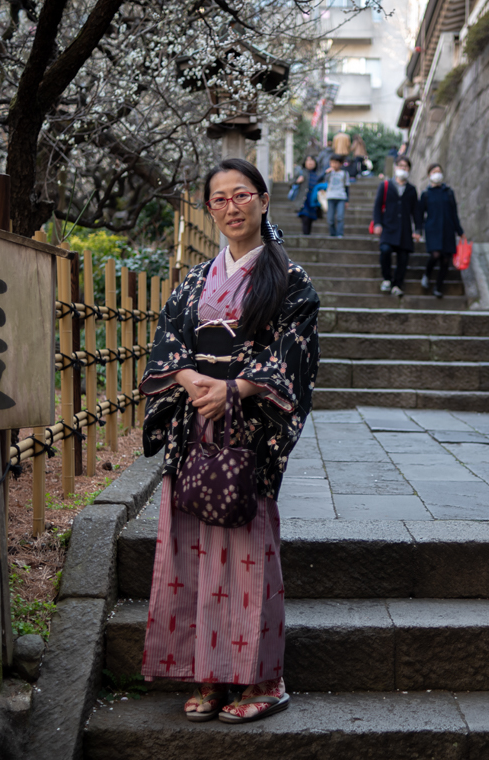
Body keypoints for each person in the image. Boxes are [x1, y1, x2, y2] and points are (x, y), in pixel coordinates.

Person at [138, 158, 320, 724]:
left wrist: (237, 387)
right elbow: (168, 338)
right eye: (219, 199)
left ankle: (264, 679)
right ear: (210, 209)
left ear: (264, 201)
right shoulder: (195, 279)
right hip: (193, 428)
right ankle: (211, 677)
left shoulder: (290, 281)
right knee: (189, 549)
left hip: (247, 434)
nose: (231, 207)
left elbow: (294, 354)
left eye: (242, 195)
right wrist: (189, 379)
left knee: (246, 556)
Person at [371, 155, 422, 297]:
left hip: (405, 229)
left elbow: (416, 211)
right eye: (400, 166)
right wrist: (378, 223)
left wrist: (418, 229)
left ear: (409, 169)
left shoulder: (411, 189)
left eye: (405, 167)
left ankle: (397, 284)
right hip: (388, 226)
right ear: (395, 167)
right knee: (385, 250)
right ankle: (387, 278)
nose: (402, 169)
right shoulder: (386, 185)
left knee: (403, 257)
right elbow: (377, 206)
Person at [419, 163, 464, 298]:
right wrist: (419, 230)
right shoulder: (426, 194)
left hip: (448, 228)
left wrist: (460, 231)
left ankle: (438, 287)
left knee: (446, 259)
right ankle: (427, 274)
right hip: (432, 229)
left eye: (439, 171)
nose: (437, 174)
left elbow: (454, 213)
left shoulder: (449, 192)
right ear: (429, 175)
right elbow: (420, 214)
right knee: (435, 255)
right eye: (434, 171)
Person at [292, 155, 323, 235]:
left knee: (310, 219)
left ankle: (307, 235)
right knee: (305, 218)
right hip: (304, 199)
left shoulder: (318, 174)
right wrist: (297, 181)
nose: (310, 162)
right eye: (308, 160)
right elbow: (291, 182)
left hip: (313, 200)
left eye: (312, 160)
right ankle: (305, 236)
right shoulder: (301, 172)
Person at [324, 155, 349, 238]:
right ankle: (332, 234)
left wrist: (347, 200)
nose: (334, 164)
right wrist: (326, 172)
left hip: (341, 197)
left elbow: (347, 187)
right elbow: (319, 179)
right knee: (330, 219)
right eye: (332, 162)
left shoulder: (344, 173)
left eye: (336, 163)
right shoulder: (329, 173)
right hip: (330, 196)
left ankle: (340, 234)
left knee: (340, 217)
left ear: (340, 164)